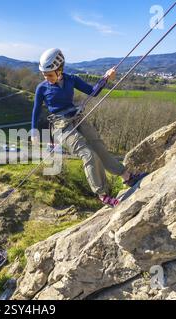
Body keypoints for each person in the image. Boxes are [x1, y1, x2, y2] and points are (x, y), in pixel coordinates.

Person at [31, 48, 147, 207]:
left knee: (99, 147)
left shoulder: (72, 79)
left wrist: (106, 78)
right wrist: (33, 131)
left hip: (76, 118)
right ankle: (102, 194)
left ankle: (127, 177)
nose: (47, 78)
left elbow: (93, 92)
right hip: (60, 126)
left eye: (50, 74)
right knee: (87, 154)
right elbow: (36, 109)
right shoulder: (42, 88)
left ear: (60, 70)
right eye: (45, 75)